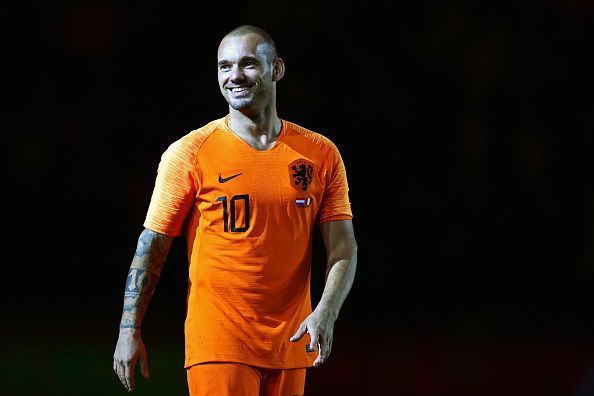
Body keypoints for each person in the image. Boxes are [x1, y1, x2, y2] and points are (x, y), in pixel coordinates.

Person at [112, 24, 357, 396]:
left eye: (247, 64)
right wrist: (129, 330)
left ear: (276, 69)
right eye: (224, 67)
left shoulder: (319, 153)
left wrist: (327, 310)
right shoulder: (190, 153)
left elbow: (343, 248)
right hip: (219, 342)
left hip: (293, 342)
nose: (234, 76)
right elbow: (153, 245)